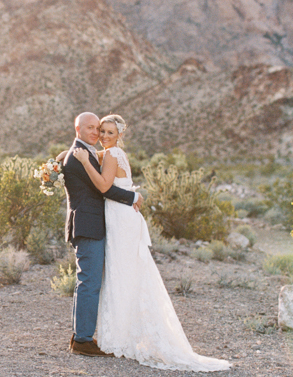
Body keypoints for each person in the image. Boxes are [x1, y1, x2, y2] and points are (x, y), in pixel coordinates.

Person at [72, 114, 231, 371]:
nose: (103, 136)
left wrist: (82, 161)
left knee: (123, 274)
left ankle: (123, 336)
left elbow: (102, 185)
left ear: (119, 136)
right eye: (101, 131)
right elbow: (88, 155)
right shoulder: (109, 153)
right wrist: (66, 157)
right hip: (117, 218)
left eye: (110, 133)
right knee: (119, 275)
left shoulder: (111, 155)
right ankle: (119, 334)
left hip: (122, 220)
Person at [62, 112, 143, 357]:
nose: (96, 133)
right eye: (90, 128)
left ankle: (81, 336)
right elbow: (104, 189)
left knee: (87, 281)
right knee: (90, 283)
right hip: (89, 225)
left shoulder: (83, 152)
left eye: (98, 128)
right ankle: (83, 340)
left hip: (93, 224)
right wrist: (133, 197)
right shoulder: (79, 156)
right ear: (77, 128)